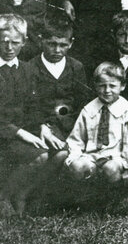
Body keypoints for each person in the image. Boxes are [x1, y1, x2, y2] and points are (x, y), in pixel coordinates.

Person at [0, 14, 59, 215]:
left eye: (15, 43)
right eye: (4, 42)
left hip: (21, 132)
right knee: (40, 156)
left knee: (61, 152)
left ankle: (23, 193)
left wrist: (43, 127)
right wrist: (20, 133)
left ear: (24, 42)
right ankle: (1, 196)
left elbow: (33, 105)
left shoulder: (26, 69)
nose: (9, 48)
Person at [22, 14, 92, 153]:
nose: (57, 50)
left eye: (63, 45)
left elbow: (82, 102)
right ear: (41, 40)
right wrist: (41, 125)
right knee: (55, 153)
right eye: (52, 44)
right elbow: (30, 105)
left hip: (72, 128)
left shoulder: (76, 67)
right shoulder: (30, 68)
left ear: (71, 43)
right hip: (41, 128)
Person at [64, 62, 128, 185]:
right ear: (95, 86)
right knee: (77, 166)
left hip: (115, 158)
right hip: (91, 156)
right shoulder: (88, 110)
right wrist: (74, 158)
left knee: (110, 169)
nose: (107, 90)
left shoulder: (127, 112)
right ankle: (81, 201)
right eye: (102, 86)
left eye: (112, 86)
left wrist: (127, 166)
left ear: (122, 86)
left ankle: (114, 201)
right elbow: (76, 140)